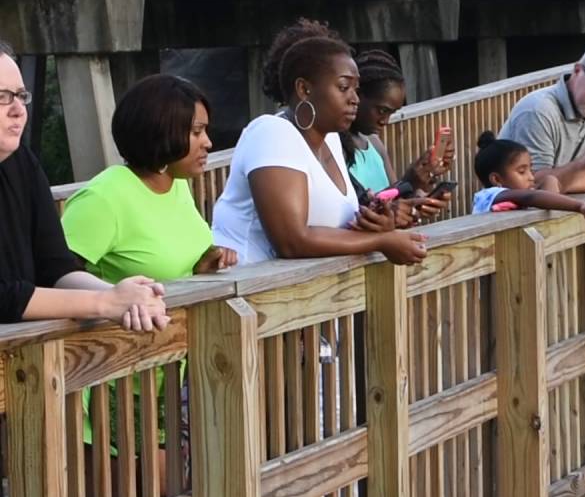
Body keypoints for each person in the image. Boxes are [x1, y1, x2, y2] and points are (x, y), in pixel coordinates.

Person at [211, 35, 427, 266]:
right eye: (344, 87)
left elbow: (336, 229)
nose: (354, 99)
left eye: (356, 89)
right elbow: (292, 241)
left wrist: (378, 222)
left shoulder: (332, 139)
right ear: (304, 89)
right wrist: (383, 241)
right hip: (244, 286)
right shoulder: (272, 133)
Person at [0, 40, 169, 330]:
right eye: (2, 97)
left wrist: (126, 295)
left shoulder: (22, 162)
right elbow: (4, 297)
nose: (18, 109)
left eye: (20, 95)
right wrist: (104, 303)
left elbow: (55, 267)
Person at [62, 74, 238, 282]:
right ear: (160, 132)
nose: (208, 142)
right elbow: (56, 276)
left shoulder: (177, 183)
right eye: (196, 132)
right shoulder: (102, 199)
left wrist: (199, 268)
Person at [339, 49, 453, 226]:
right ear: (357, 95)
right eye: (382, 110)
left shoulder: (374, 144)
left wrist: (417, 200)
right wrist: (410, 181)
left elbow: (393, 196)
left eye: (391, 113)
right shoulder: (335, 144)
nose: (385, 121)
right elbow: (360, 209)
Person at [498, 40, 585, 193]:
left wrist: (556, 184)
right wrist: (583, 165)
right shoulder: (538, 110)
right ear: (577, 70)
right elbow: (533, 186)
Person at [472, 132, 585, 227]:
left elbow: (547, 198)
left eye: (530, 169)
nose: (531, 177)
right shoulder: (490, 195)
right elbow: (532, 197)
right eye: (522, 171)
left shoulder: (514, 196)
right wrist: (580, 206)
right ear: (496, 179)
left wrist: (549, 180)